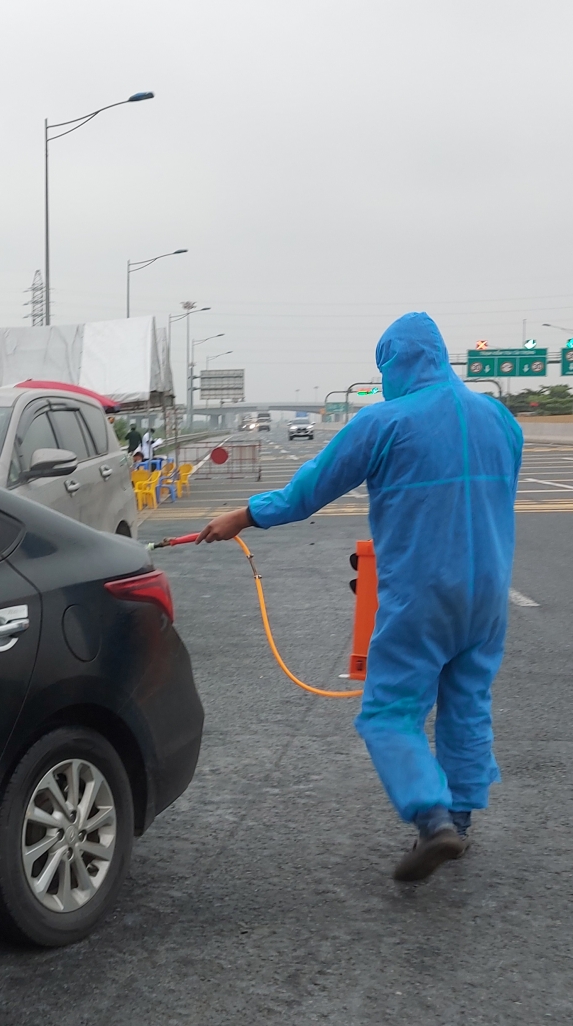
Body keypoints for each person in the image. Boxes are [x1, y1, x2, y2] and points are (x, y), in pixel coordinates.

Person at [196, 312, 523, 882]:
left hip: (422, 593)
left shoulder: (384, 421)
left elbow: (309, 490)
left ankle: (433, 819)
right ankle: (460, 819)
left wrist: (245, 515)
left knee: (389, 713)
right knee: (467, 703)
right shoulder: (499, 418)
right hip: (490, 592)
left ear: (394, 364)